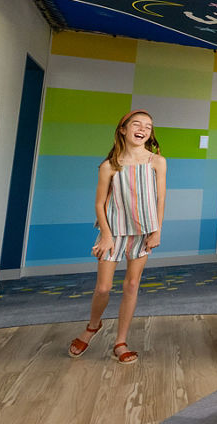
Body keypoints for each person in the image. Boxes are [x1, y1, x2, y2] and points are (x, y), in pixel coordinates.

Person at [68, 110, 167, 363]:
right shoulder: (109, 166)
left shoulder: (157, 162)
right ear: (123, 129)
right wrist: (106, 235)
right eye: (137, 124)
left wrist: (157, 230)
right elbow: (100, 204)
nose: (143, 128)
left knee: (132, 285)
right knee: (103, 288)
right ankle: (92, 326)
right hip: (113, 232)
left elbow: (160, 198)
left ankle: (120, 342)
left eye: (148, 125)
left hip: (143, 232)